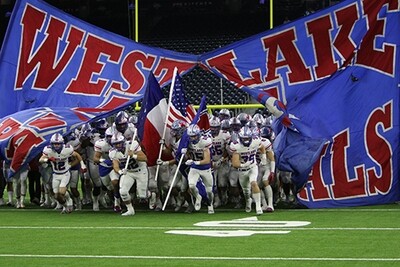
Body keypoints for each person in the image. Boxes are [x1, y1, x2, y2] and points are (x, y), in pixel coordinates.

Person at [39, 133, 87, 214]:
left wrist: (81, 165)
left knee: (62, 191)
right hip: (55, 174)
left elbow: (77, 155)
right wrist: (48, 159)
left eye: (58, 144)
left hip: (65, 173)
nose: (56, 146)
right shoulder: (48, 150)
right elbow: (41, 159)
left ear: (62, 143)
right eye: (55, 144)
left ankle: (69, 200)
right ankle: (65, 206)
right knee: (57, 195)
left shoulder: (67, 149)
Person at [109, 132, 148, 216]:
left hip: (140, 171)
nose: (117, 146)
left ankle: (152, 195)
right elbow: (115, 165)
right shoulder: (113, 152)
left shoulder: (132, 145)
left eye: (119, 143)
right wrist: (120, 172)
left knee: (142, 196)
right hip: (129, 172)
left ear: (123, 142)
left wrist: (133, 155)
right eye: (115, 144)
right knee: (122, 191)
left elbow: (144, 158)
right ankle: (130, 210)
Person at [230, 125, 265, 215]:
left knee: (253, 183)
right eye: (244, 138)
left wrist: (263, 157)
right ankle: (248, 200)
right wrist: (243, 165)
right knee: (246, 191)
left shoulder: (256, 140)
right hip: (242, 170)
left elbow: (262, 147)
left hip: (253, 167)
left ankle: (258, 206)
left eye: (247, 138)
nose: (246, 140)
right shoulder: (236, 145)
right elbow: (234, 163)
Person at [184, 124, 215, 214]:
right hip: (194, 168)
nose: (193, 138)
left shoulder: (205, 141)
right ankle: (198, 197)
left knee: (209, 191)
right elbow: (187, 156)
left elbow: (207, 160)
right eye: (191, 136)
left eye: (194, 136)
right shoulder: (187, 142)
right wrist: (185, 153)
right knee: (191, 185)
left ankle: (210, 205)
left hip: (205, 168)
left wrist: (194, 162)